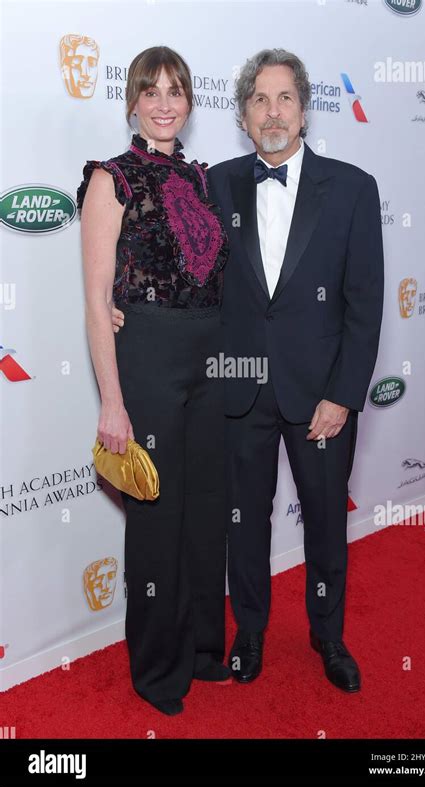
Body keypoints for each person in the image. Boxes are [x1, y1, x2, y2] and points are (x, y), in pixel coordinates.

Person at [113, 48, 384, 695]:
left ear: (304, 108)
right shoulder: (213, 183)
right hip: (234, 392)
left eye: (284, 97)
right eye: (259, 99)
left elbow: (365, 305)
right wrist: (117, 309)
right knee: (243, 524)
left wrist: (344, 396)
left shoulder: (352, 188)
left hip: (320, 397)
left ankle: (328, 636)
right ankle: (251, 634)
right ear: (240, 113)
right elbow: (168, 263)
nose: (272, 111)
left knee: (324, 521)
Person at [77, 45, 230, 716]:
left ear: (190, 104)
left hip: (209, 360)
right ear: (133, 101)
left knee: (202, 517)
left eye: (177, 91)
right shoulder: (110, 179)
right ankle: (157, 669)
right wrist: (112, 400)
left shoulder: (202, 179)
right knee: (157, 521)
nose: (165, 103)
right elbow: (95, 300)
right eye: (152, 90)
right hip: (147, 360)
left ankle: (201, 650)